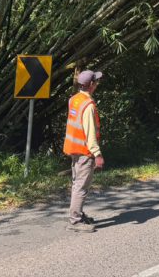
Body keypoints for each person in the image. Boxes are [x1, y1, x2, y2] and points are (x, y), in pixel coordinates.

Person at [63, 69, 104, 232]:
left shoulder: (74, 99)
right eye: (97, 81)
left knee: (77, 183)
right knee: (81, 185)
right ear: (92, 85)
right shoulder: (88, 106)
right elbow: (90, 133)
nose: (98, 84)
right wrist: (97, 154)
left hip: (73, 148)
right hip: (84, 151)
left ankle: (77, 213)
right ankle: (75, 220)